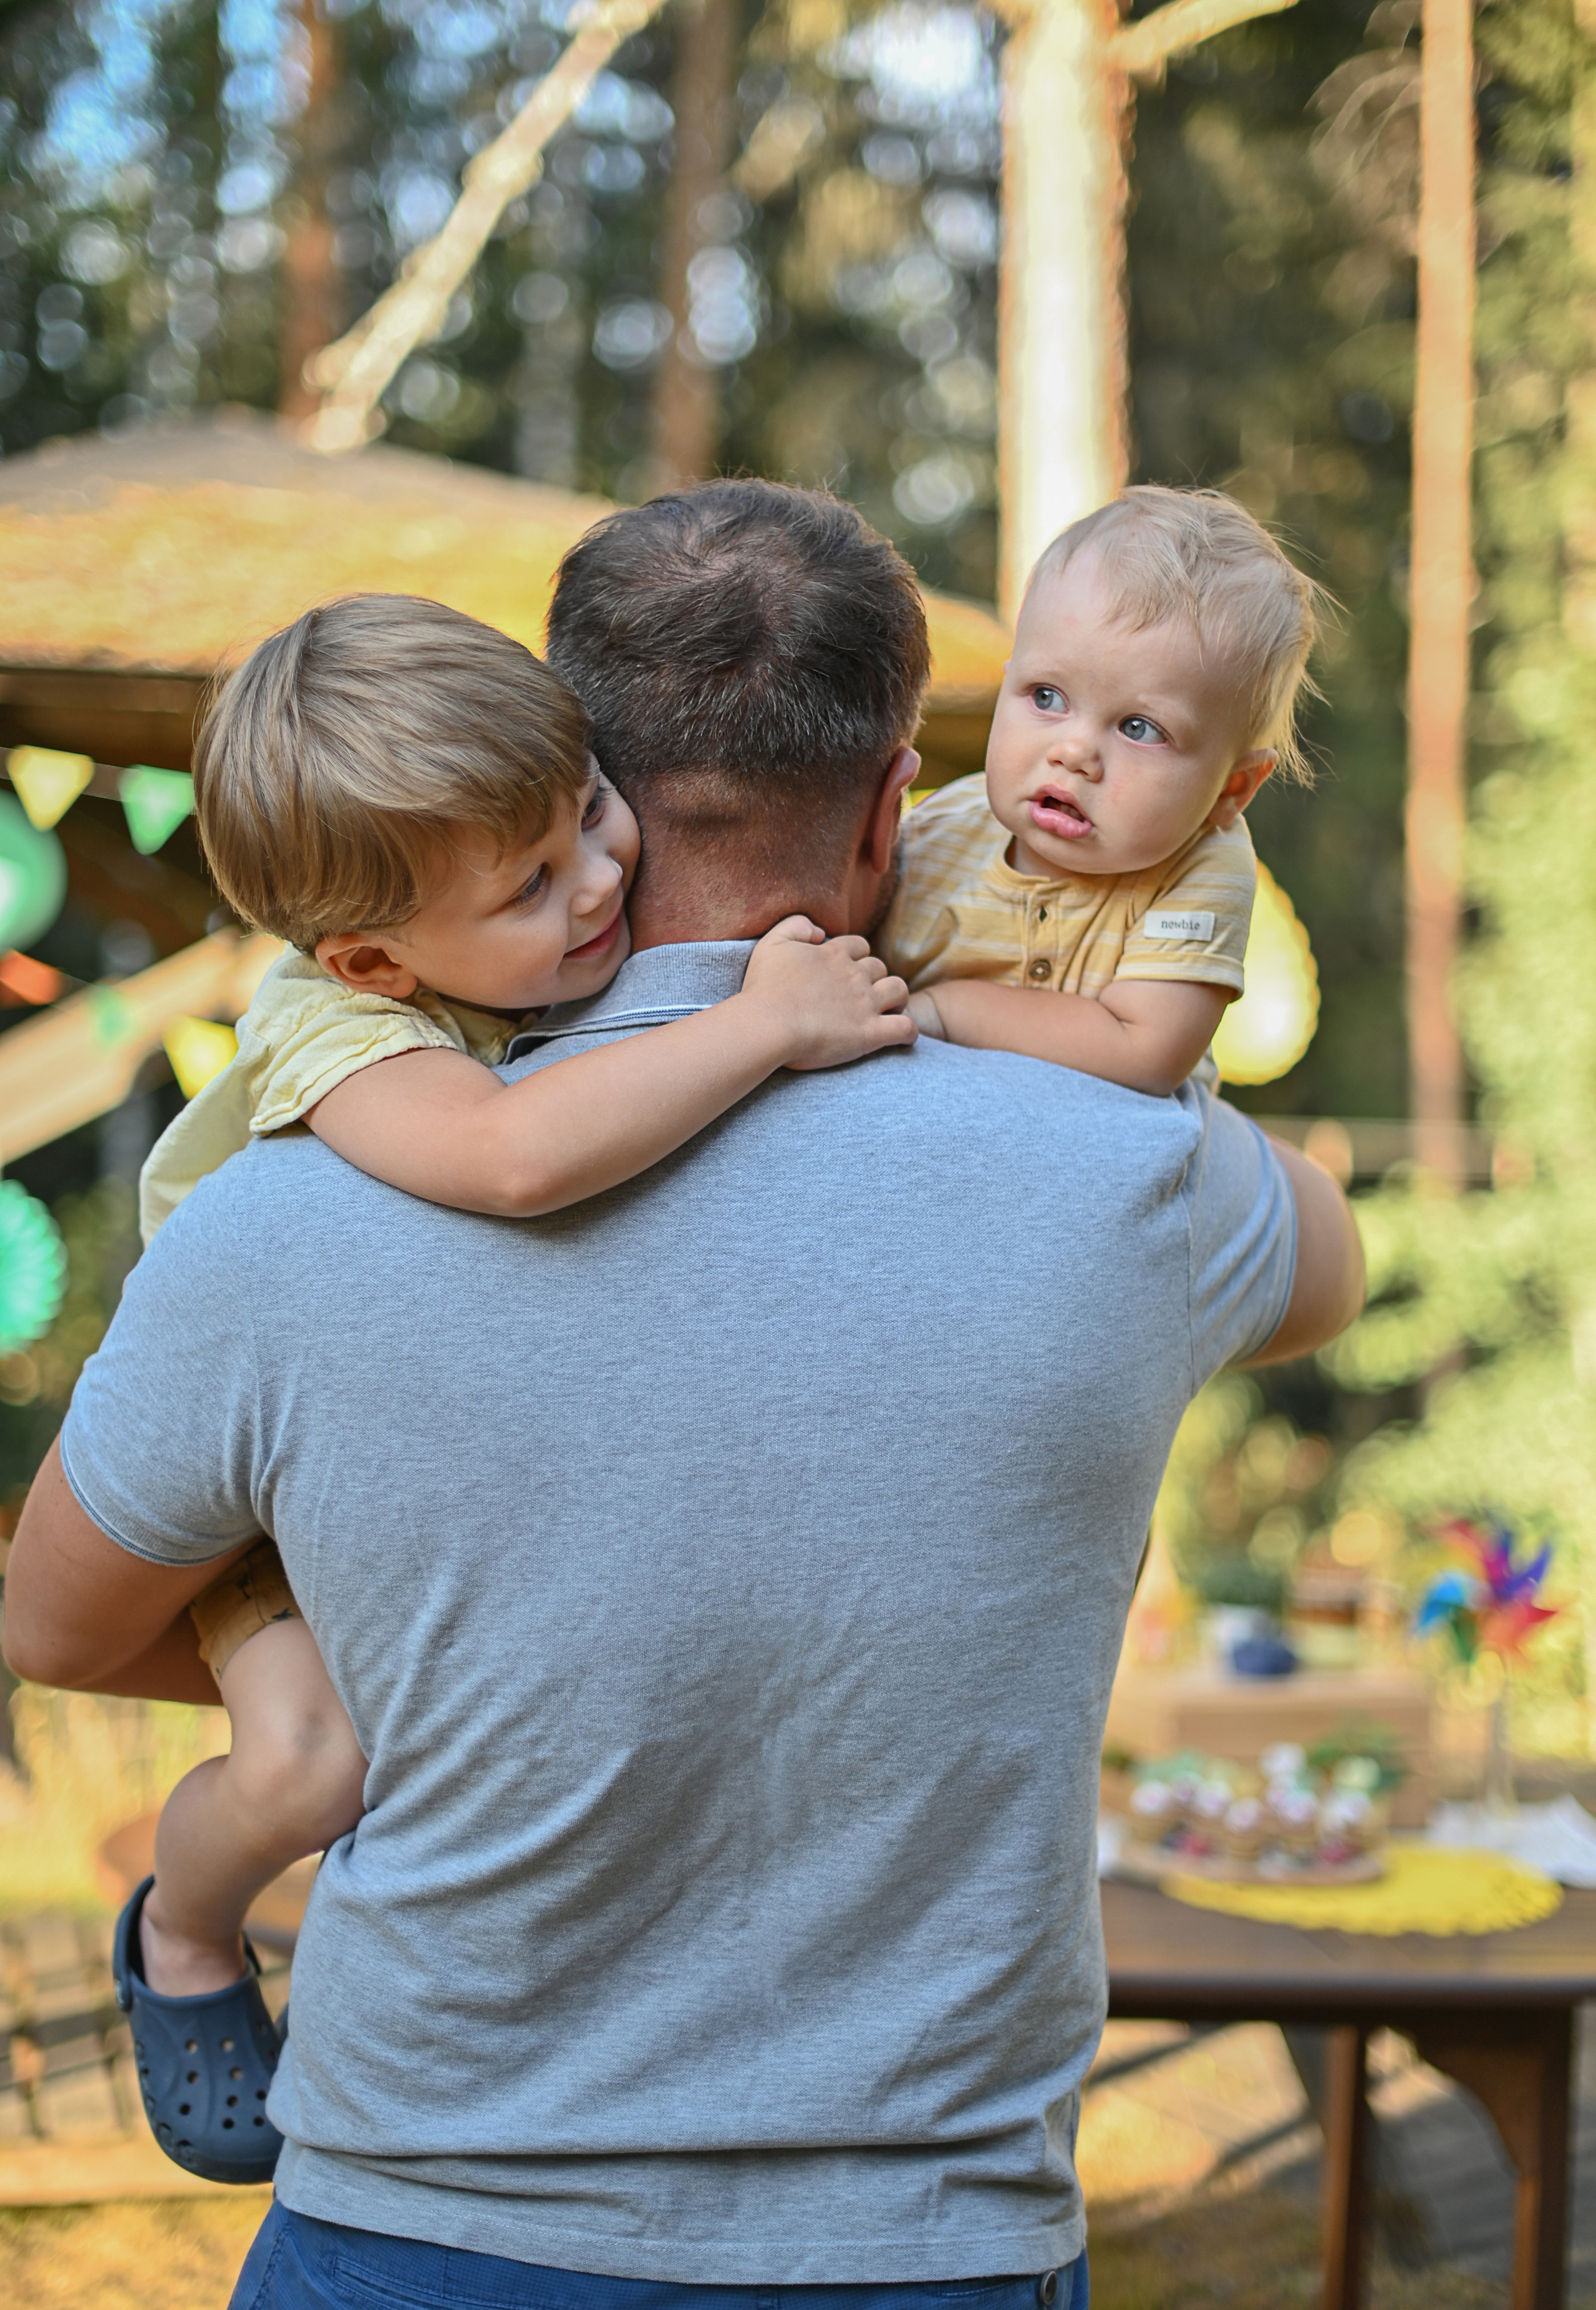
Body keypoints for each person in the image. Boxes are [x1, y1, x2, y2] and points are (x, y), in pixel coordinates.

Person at [3, 480, 1364, 2310]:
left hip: (420, 2221)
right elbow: (1324, 1268)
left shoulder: (293, 1201)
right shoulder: (1137, 1177)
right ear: (900, 804)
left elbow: (56, 1618)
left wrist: (433, 1665)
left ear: (600, 788)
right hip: (927, 2247)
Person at [119, 591, 910, 2049]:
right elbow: (518, 1160)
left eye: (592, 807)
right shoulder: (339, 1034)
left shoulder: (476, 939)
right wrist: (761, 1022)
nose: (602, 877)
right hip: (255, 1492)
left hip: (403, 1462)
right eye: (530, 887)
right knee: (309, 1766)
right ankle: (179, 1928)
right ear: (370, 960)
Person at [882, 487, 1322, 1094]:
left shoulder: (1199, 867)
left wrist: (943, 1011)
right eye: (1045, 697)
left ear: (1233, 787)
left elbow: (1142, 1049)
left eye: (1139, 729)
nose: (1074, 751)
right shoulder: (933, 831)